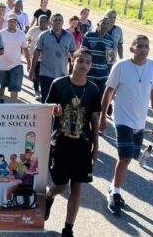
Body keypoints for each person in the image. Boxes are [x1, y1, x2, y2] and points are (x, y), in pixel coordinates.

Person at [99, 34, 153, 215]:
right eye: (140, 46)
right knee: (125, 157)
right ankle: (115, 193)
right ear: (132, 48)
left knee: (128, 159)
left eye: (146, 46)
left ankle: (113, 186)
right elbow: (108, 92)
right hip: (122, 119)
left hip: (139, 122)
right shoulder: (121, 66)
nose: (143, 49)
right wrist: (103, 117)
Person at [44, 48, 101, 237]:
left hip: (82, 146)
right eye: (81, 61)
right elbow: (46, 111)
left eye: (88, 62)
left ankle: (68, 229)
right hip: (60, 143)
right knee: (61, 185)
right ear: (72, 61)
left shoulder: (93, 90)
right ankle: (49, 195)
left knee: (78, 186)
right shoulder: (59, 84)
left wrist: (96, 148)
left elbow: (94, 120)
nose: (84, 65)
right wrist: (53, 110)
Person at [31, 13, 77, 103]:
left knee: (59, 101)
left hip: (62, 74)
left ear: (63, 22)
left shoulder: (69, 36)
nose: (57, 22)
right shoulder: (44, 35)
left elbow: (74, 55)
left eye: (60, 20)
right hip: (46, 73)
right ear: (50, 22)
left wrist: (73, 72)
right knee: (46, 100)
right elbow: (36, 53)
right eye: (55, 20)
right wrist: (32, 70)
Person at [0, 14, 30, 103]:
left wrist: (29, 62)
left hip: (16, 65)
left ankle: (13, 105)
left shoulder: (21, 34)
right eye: (10, 21)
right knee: (2, 84)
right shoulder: (1, 33)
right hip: (2, 65)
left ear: (17, 22)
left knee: (15, 87)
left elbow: (25, 49)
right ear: (7, 22)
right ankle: (1, 99)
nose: (12, 23)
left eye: (14, 21)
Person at [82, 17, 115, 105]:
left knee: (99, 102)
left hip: (103, 76)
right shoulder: (88, 35)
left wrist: (111, 57)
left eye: (108, 24)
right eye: (103, 23)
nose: (105, 25)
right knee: (86, 100)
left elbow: (110, 60)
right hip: (89, 74)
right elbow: (82, 53)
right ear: (98, 24)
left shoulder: (110, 40)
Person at [26, 15, 50, 100]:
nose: (42, 23)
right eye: (40, 21)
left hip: (46, 57)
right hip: (34, 56)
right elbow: (27, 39)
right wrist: (28, 44)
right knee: (35, 73)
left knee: (43, 74)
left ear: (48, 22)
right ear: (38, 22)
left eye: (44, 21)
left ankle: (43, 90)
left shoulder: (50, 32)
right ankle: (36, 90)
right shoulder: (33, 30)